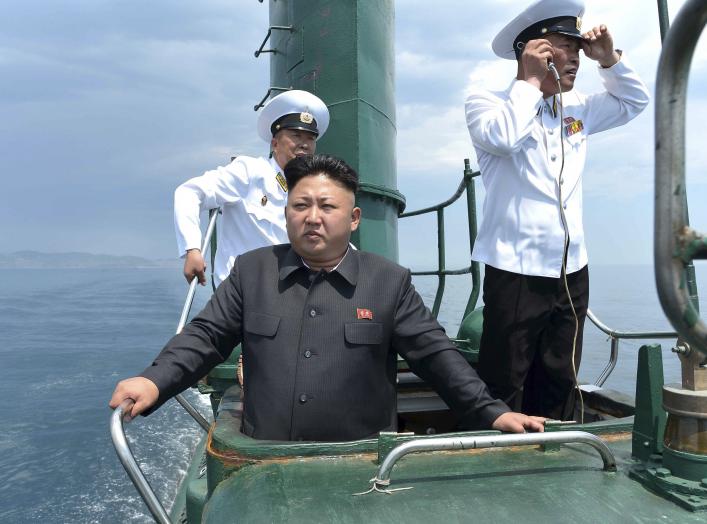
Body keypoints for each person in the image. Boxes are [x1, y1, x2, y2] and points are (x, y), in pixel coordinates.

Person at [110, 154, 544, 441]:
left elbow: (437, 356)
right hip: (266, 461)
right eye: (300, 206)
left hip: (358, 468)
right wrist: (154, 379)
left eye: (327, 207)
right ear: (286, 214)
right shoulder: (252, 272)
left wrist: (492, 412)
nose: (312, 218)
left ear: (353, 218)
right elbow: (205, 337)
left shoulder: (388, 281)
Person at [464, 0, 649, 420]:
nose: (576, 61)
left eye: (578, 50)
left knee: (560, 378)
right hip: (516, 270)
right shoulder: (488, 102)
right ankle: (497, 467)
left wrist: (609, 61)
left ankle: (554, 463)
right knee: (504, 381)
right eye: (566, 48)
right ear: (536, 51)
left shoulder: (576, 107)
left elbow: (634, 102)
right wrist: (529, 81)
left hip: (571, 270)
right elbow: (505, 138)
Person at [174, 89, 330, 287]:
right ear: (275, 143)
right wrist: (192, 248)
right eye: (296, 135)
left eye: (310, 138)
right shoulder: (251, 172)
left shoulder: (311, 190)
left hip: (289, 295)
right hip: (242, 294)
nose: (304, 144)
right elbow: (189, 193)